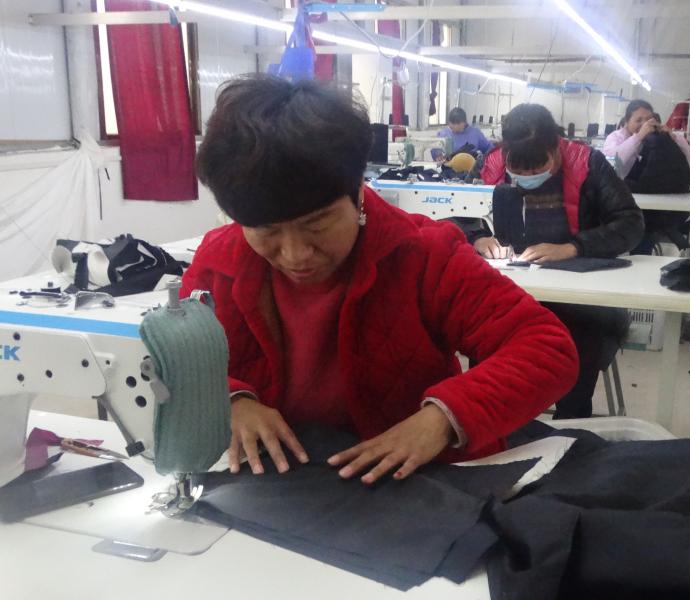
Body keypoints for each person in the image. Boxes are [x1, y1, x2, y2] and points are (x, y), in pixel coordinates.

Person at [181, 75, 578, 484]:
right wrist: (232, 400)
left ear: (358, 192)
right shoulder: (218, 263)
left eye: (317, 225)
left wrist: (442, 418)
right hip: (284, 483)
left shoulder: (424, 254)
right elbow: (180, 362)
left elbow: (546, 348)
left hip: (414, 482)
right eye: (266, 231)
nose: (296, 254)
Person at [467, 103, 644, 419]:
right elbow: (460, 215)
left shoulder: (588, 164)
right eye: (519, 170)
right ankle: (494, 428)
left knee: (573, 352)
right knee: (485, 342)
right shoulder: (492, 166)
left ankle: (569, 431)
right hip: (516, 296)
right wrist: (478, 237)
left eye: (536, 168)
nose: (527, 177)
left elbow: (631, 223)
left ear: (555, 148)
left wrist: (574, 247)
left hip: (581, 303)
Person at [603, 99, 690, 179]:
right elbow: (610, 164)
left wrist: (674, 139)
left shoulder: (656, 138)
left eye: (648, 119)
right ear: (627, 122)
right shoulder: (615, 137)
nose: (645, 124)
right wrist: (638, 137)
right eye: (638, 120)